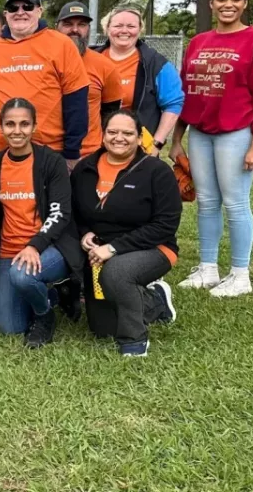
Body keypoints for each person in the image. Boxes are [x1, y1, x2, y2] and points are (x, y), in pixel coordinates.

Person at [171, 0, 253, 297]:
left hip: (236, 131)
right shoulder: (199, 42)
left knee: (235, 203)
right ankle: (208, 269)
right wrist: (177, 139)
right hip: (201, 132)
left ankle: (240, 274)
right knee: (206, 201)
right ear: (210, 4)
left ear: (245, 3)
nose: (228, 4)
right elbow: (187, 90)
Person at [71, 110, 180, 357]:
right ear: (103, 135)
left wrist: (112, 249)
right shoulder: (84, 169)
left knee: (117, 272)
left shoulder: (157, 171)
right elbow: (74, 213)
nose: (119, 138)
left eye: (128, 133)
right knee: (103, 328)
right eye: (112, 132)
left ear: (140, 138)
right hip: (98, 252)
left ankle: (134, 340)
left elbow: (165, 225)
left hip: (152, 248)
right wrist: (84, 233)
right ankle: (155, 301)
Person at [0, 99, 84, 347]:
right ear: (0, 127)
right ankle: (52, 293)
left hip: (49, 247)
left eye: (24, 124)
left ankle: (45, 315)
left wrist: (34, 245)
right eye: (10, 124)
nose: (17, 131)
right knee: (11, 327)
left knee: (22, 276)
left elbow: (60, 213)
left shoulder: (51, 162)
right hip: (9, 251)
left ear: (34, 126)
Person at [0, 0, 89, 173]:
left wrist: (72, 152)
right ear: (6, 14)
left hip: (49, 153)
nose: (20, 12)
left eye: (27, 6)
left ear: (39, 10)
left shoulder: (62, 45)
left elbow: (77, 103)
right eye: (13, 8)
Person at [97, 8, 184, 152]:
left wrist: (156, 144)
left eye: (131, 26)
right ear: (107, 28)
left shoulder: (155, 63)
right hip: (95, 146)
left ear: (140, 30)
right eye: (118, 26)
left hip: (138, 147)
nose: (124, 31)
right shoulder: (90, 58)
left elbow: (173, 104)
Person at [56, 2, 123, 157]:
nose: (75, 30)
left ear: (89, 29)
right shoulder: (41, 61)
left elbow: (111, 114)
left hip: (87, 154)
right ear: (56, 28)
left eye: (82, 24)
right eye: (67, 24)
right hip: (46, 152)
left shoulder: (104, 66)